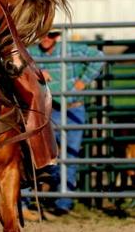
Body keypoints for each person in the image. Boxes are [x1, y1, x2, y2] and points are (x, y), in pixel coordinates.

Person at [32, 29, 104, 215]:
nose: (47, 38)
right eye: (43, 34)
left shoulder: (71, 49)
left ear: (58, 36)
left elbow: (98, 57)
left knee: (70, 156)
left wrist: (82, 82)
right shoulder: (32, 53)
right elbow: (17, 67)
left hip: (73, 108)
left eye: (52, 35)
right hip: (49, 110)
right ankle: (55, 192)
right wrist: (36, 73)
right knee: (48, 156)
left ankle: (64, 202)